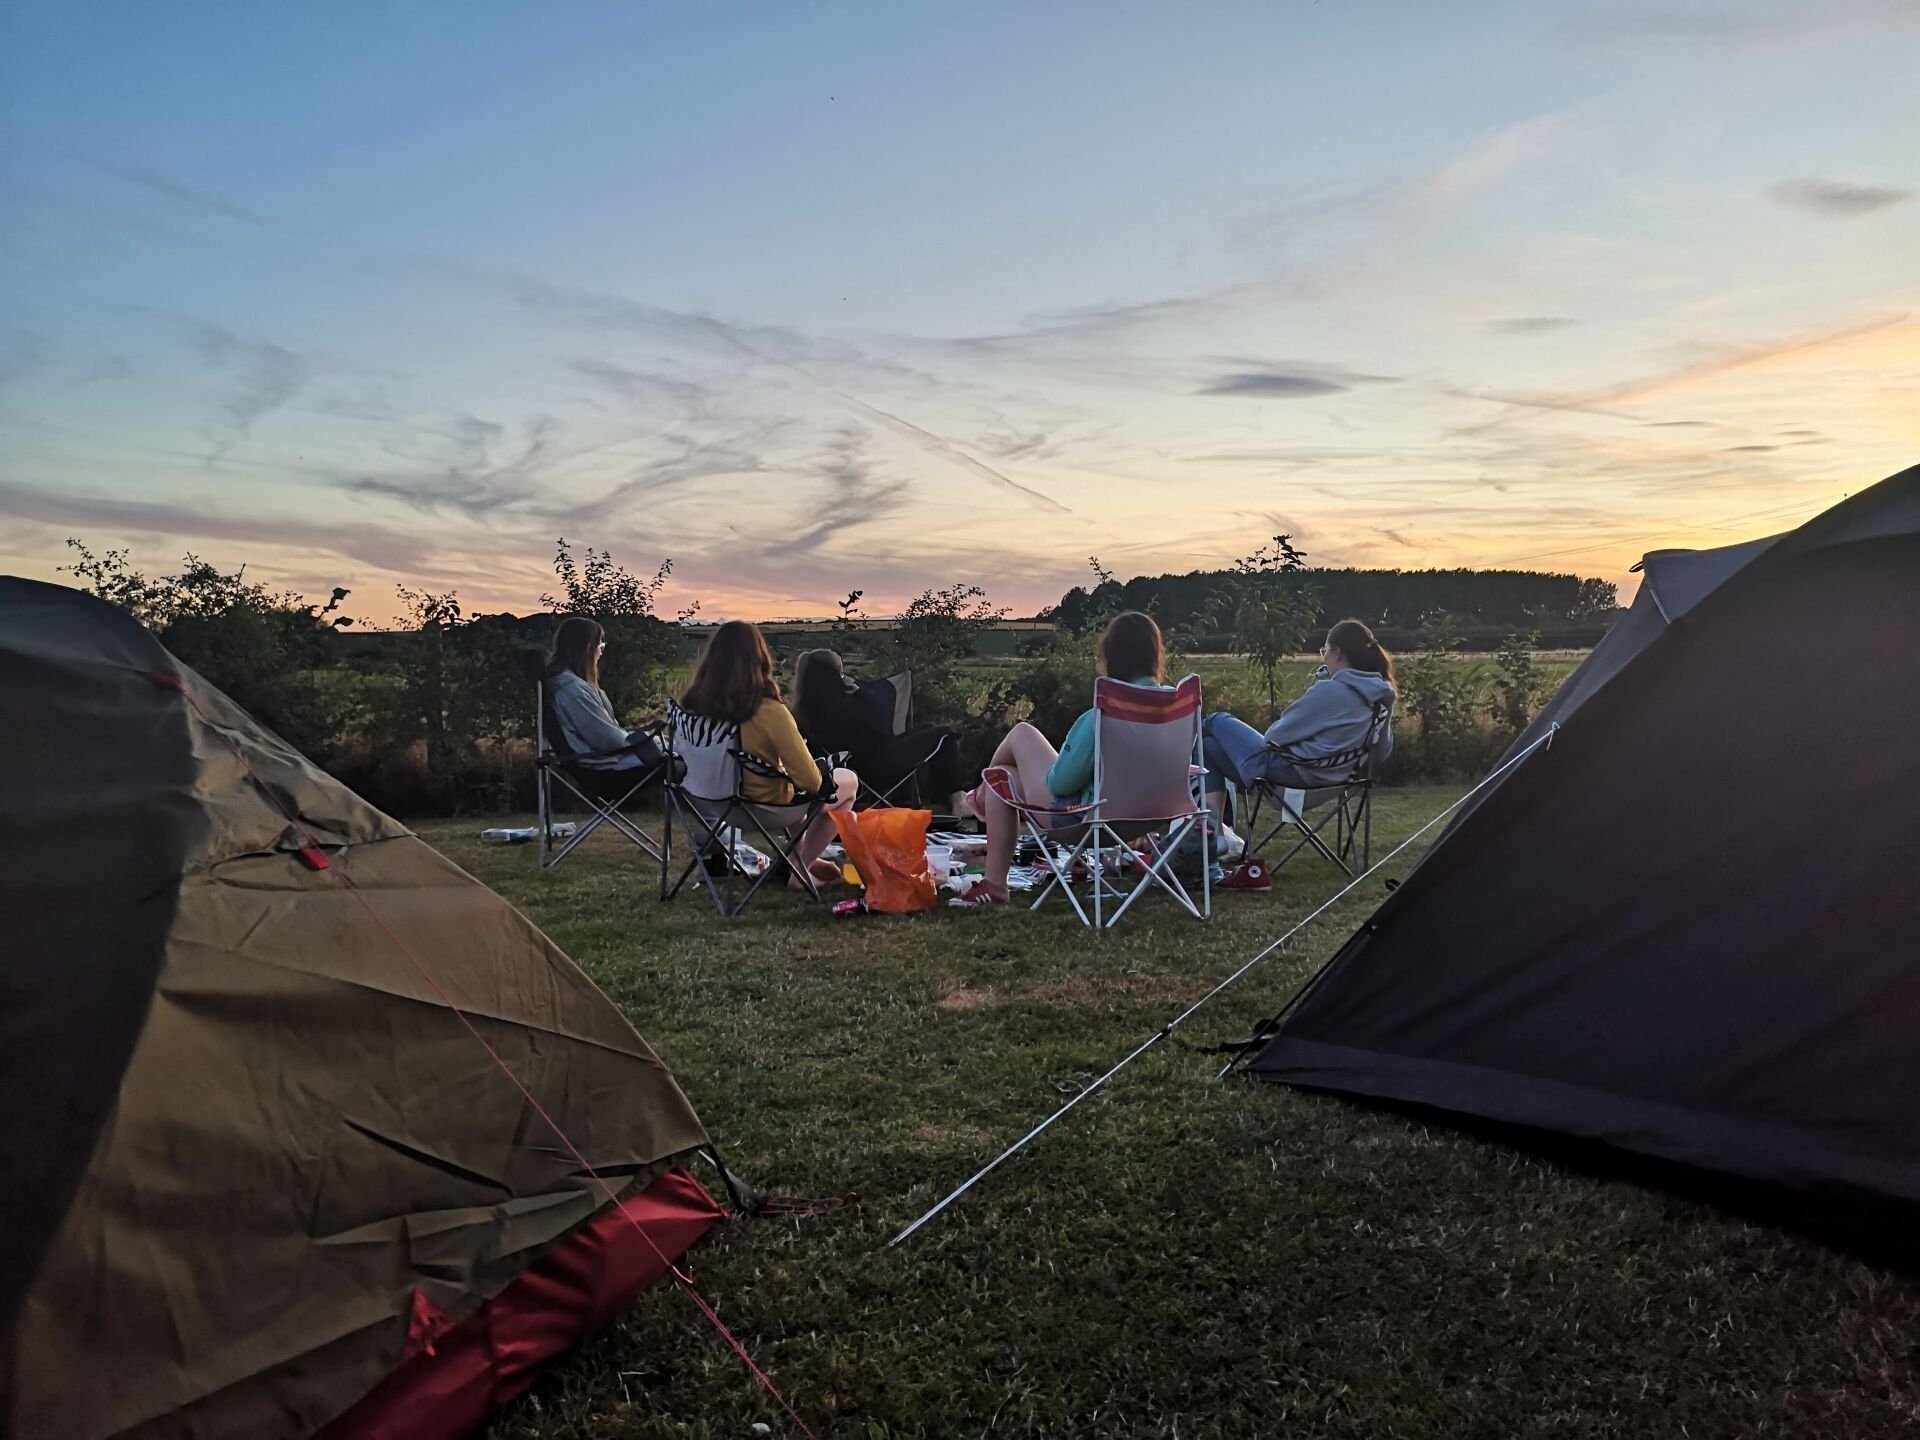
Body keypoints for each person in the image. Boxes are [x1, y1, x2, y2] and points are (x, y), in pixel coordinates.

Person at [947, 610, 1168, 908]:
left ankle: (982, 808)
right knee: (1003, 776)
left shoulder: (1106, 713)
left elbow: (1062, 784)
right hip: (1150, 816)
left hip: (1086, 819)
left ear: (1111, 656)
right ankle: (986, 793)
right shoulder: (1175, 708)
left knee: (1021, 735)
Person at [679, 620, 857, 890]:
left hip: (713, 806)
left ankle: (802, 860)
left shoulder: (690, 709)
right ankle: (800, 869)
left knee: (789, 788)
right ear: (759, 659)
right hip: (763, 809)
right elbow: (811, 783)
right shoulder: (768, 710)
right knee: (847, 781)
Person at [1199, 617, 1397, 849]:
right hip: (1335, 783)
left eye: (1325, 650)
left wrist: (1315, 690)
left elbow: (1273, 737)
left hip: (1288, 778)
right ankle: (1215, 835)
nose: (1324, 657)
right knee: (1207, 747)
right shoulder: (1381, 696)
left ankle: (1207, 830)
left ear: (1338, 653)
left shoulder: (1331, 691)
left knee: (1216, 721)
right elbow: (1381, 752)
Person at [790, 649, 969, 816]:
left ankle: (946, 799)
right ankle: (957, 800)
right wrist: (864, 696)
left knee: (928, 728)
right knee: (945, 734)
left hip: (847, 769)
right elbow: (881, 730)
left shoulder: (802, 709)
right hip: (879, 767)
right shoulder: (850, 704)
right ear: (834, 674)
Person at [544, 615, 671, 805]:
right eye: (600, 646)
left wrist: (645, 735)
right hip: (605, 767)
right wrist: (651, 740)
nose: (601, 653)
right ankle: (713, 826)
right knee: (688, 753)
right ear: (588, 648)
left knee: (678, 747)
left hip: (599, 761)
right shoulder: (573, 691)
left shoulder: (567, 686)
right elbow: (610, 741)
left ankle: (712, 826)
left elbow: (605, 734)